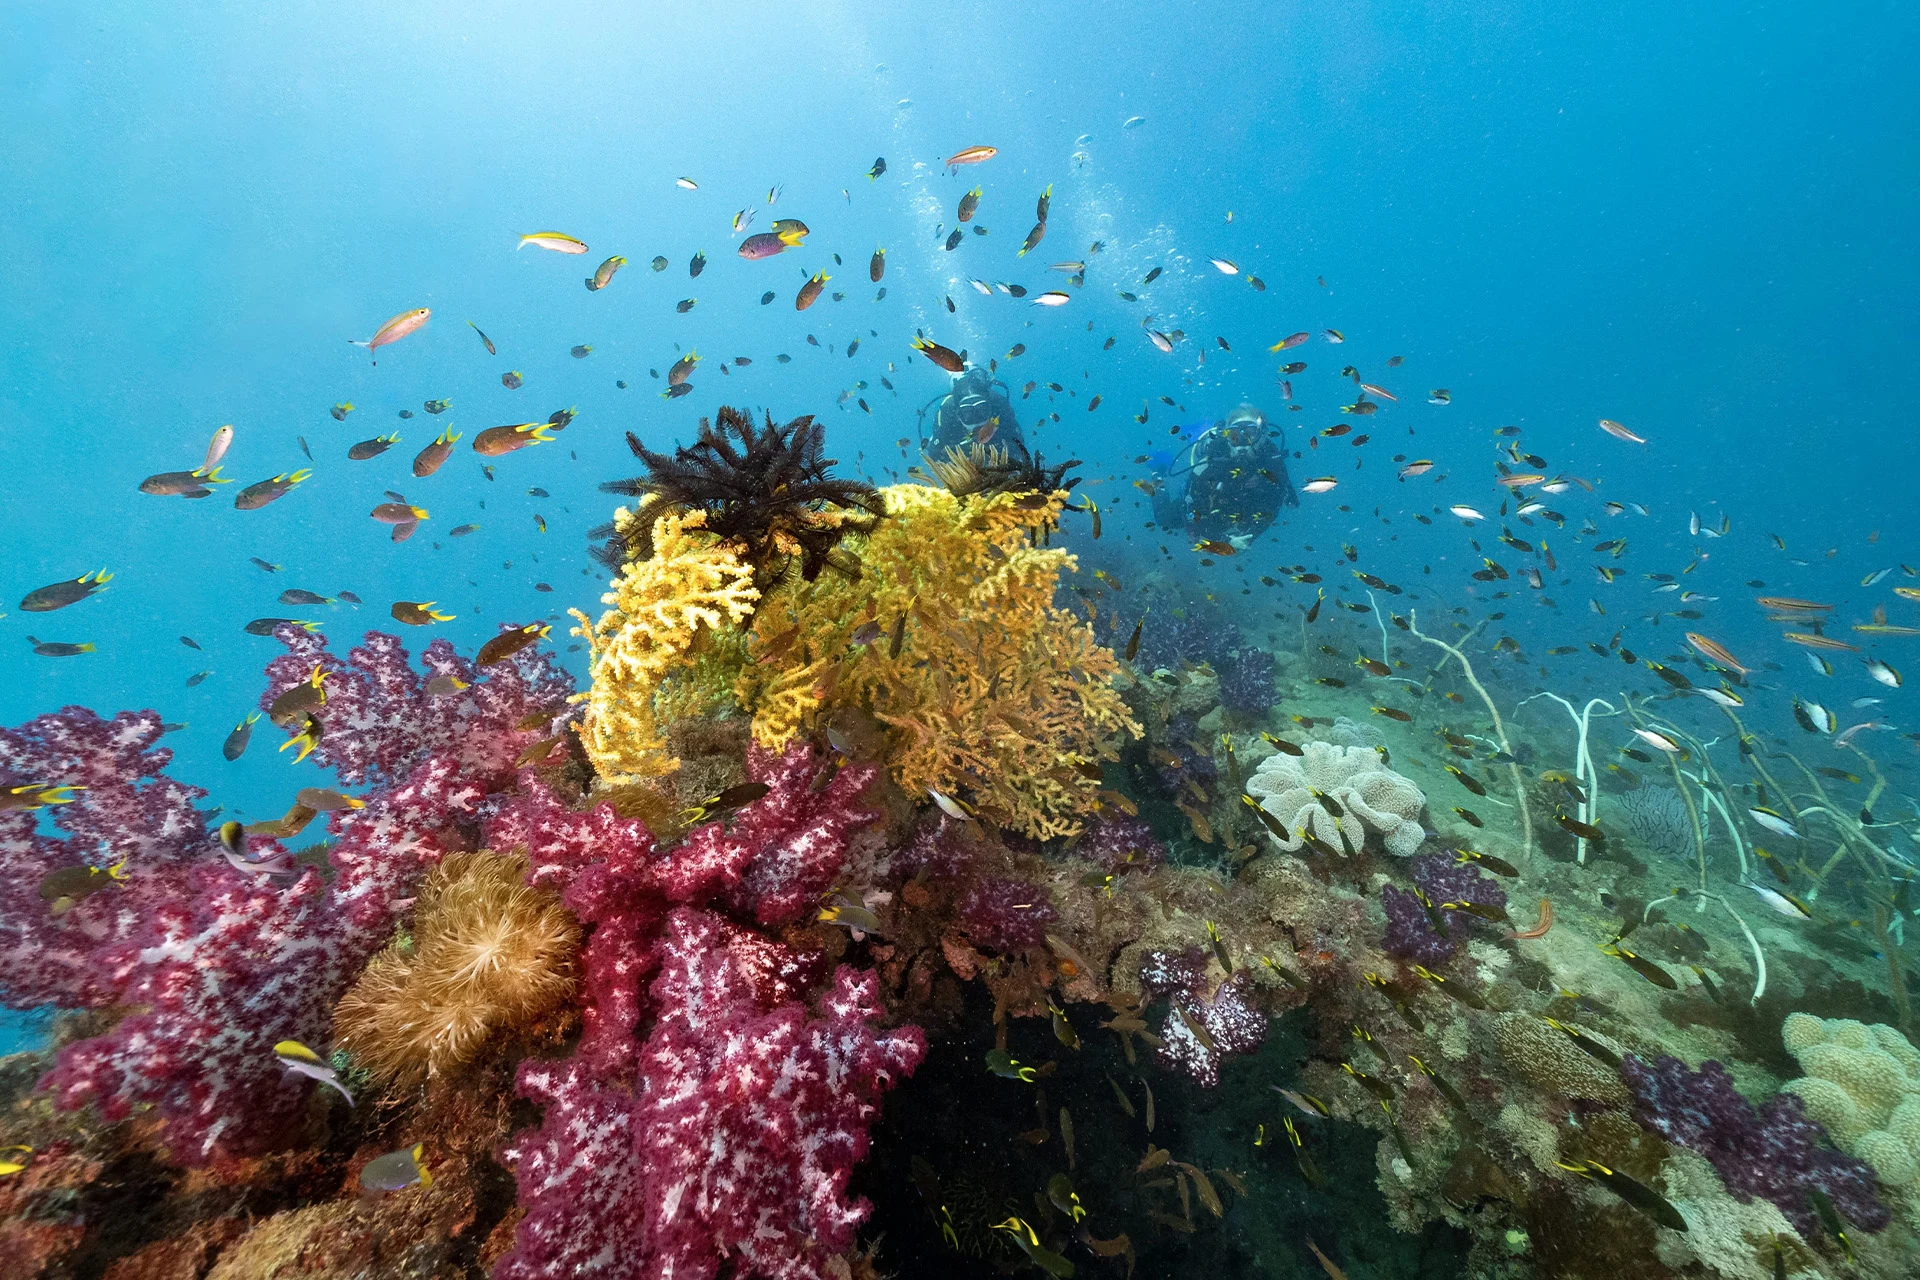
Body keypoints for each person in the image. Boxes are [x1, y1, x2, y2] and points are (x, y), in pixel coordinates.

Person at [1150, 403, 1298, 546]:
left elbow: (1273, 507)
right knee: (1163, 518)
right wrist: (1226, 541)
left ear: (1263, 435)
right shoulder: (1213, 458)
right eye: (1234, 433)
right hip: (1206, 506)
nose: (1242, 440)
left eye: (1250, 432)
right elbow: (1191, 509)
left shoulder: (1273, 463)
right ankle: (1157, 478)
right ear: (1227, 436)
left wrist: (1250, 537)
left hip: (1239, 511)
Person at [920, 364, 1030, 462]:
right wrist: (958, 453)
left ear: (990, 408)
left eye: (982, 409)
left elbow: (1019, 446)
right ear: (958, 414)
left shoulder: (999, 405)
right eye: (967, 412)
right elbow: (934, 454)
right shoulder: (947, 413)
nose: (976, 419)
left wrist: (999, 455)